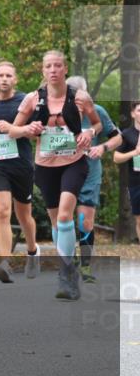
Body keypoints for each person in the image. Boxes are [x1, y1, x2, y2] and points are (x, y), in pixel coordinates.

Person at [9, 51, 102, 301]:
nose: (53, 70)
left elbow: (97, 124)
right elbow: (13, 131)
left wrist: (90, 133)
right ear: (43, 70)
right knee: (56, 224)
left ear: (65, 69)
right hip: (45, 166)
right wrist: (27, 129)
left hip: (74, 163)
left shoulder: (80, 97)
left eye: (58, 65)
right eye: (48, 66)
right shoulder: (33, 99)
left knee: (64, 216)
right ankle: (67, 266)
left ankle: (66, 273)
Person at [0, 61, 40, 283]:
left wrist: (14, 130)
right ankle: (5, 262)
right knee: (2, 211)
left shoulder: (25, 101)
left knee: (24, 215)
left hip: (21, 164)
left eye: (9, 76)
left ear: (15, 80)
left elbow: (35, 133)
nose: (4, 79)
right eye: (1, 75)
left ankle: (32, 252)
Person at [66, 76, 121, 283]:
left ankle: (85, 265)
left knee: (85, 221)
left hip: (89, 173)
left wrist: (102, 147)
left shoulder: (97, 111)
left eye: (79, 94)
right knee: (64, 219)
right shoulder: (56, 113)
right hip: (63, 171)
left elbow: (117, 137)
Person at [113, 101, 140, 245]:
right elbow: (116, 157)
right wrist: (134, 153)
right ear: (133, 114)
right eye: (139, 110)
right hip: (136, 182)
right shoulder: (127, 134)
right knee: (139, 219)